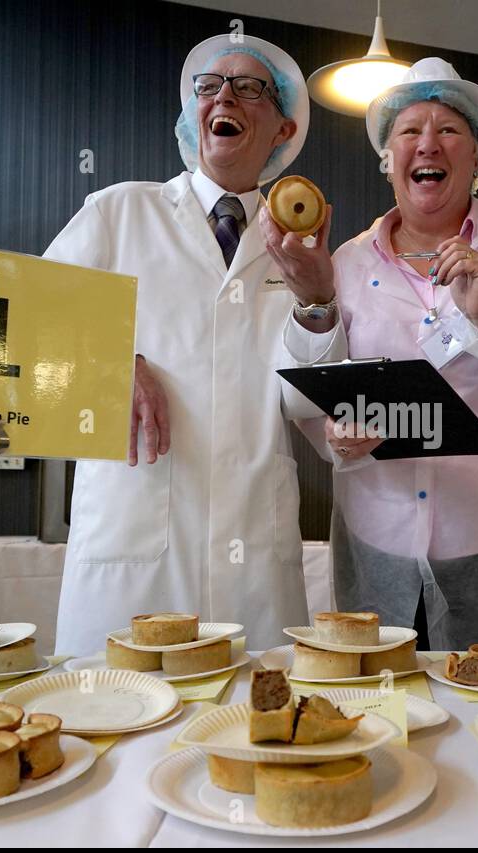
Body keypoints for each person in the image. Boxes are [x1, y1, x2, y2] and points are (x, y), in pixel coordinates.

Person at [43, 34, 346, 654]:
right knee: (117, 724)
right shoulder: (119, 212)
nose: (223, 95)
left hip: (251, 556)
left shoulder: (300, 247)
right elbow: (29, 320)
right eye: (208, 87)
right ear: (193, 116)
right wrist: (111, 362)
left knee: (248, 731)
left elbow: (308, 404)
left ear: (283, 127)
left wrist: (316, 301)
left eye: (247, 87)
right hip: (135, 539)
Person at [295, 59, 478, 650]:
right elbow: (317, 389)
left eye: (448, 130)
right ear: (388, 159)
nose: (427, 143)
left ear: (476, 161)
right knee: (379, 707)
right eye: (409, 131)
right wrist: (336, 437)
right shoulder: (346, 266)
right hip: (377, 535)